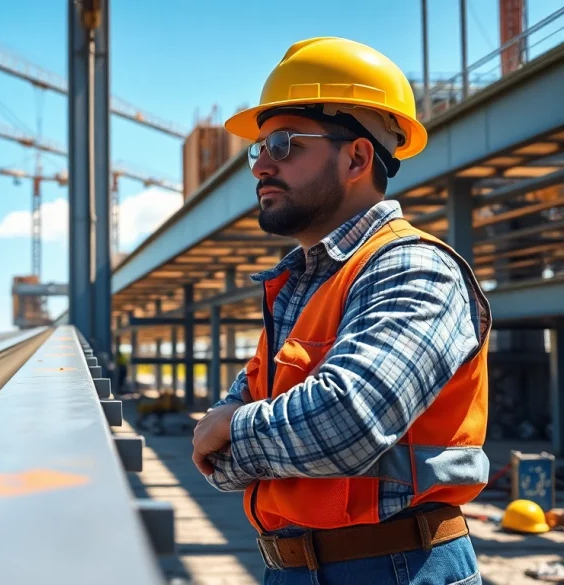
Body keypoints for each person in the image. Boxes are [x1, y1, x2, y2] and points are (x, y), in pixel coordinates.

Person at [190, 37, 492, 585]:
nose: (261, 167)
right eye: (258, 150)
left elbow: (346, 422)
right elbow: (215, 460)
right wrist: (242, 436)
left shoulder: (414, 269)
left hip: (398, 566)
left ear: (356, 157)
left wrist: (234, 427)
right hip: (291, 568)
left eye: (283, 143)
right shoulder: (297, 288)